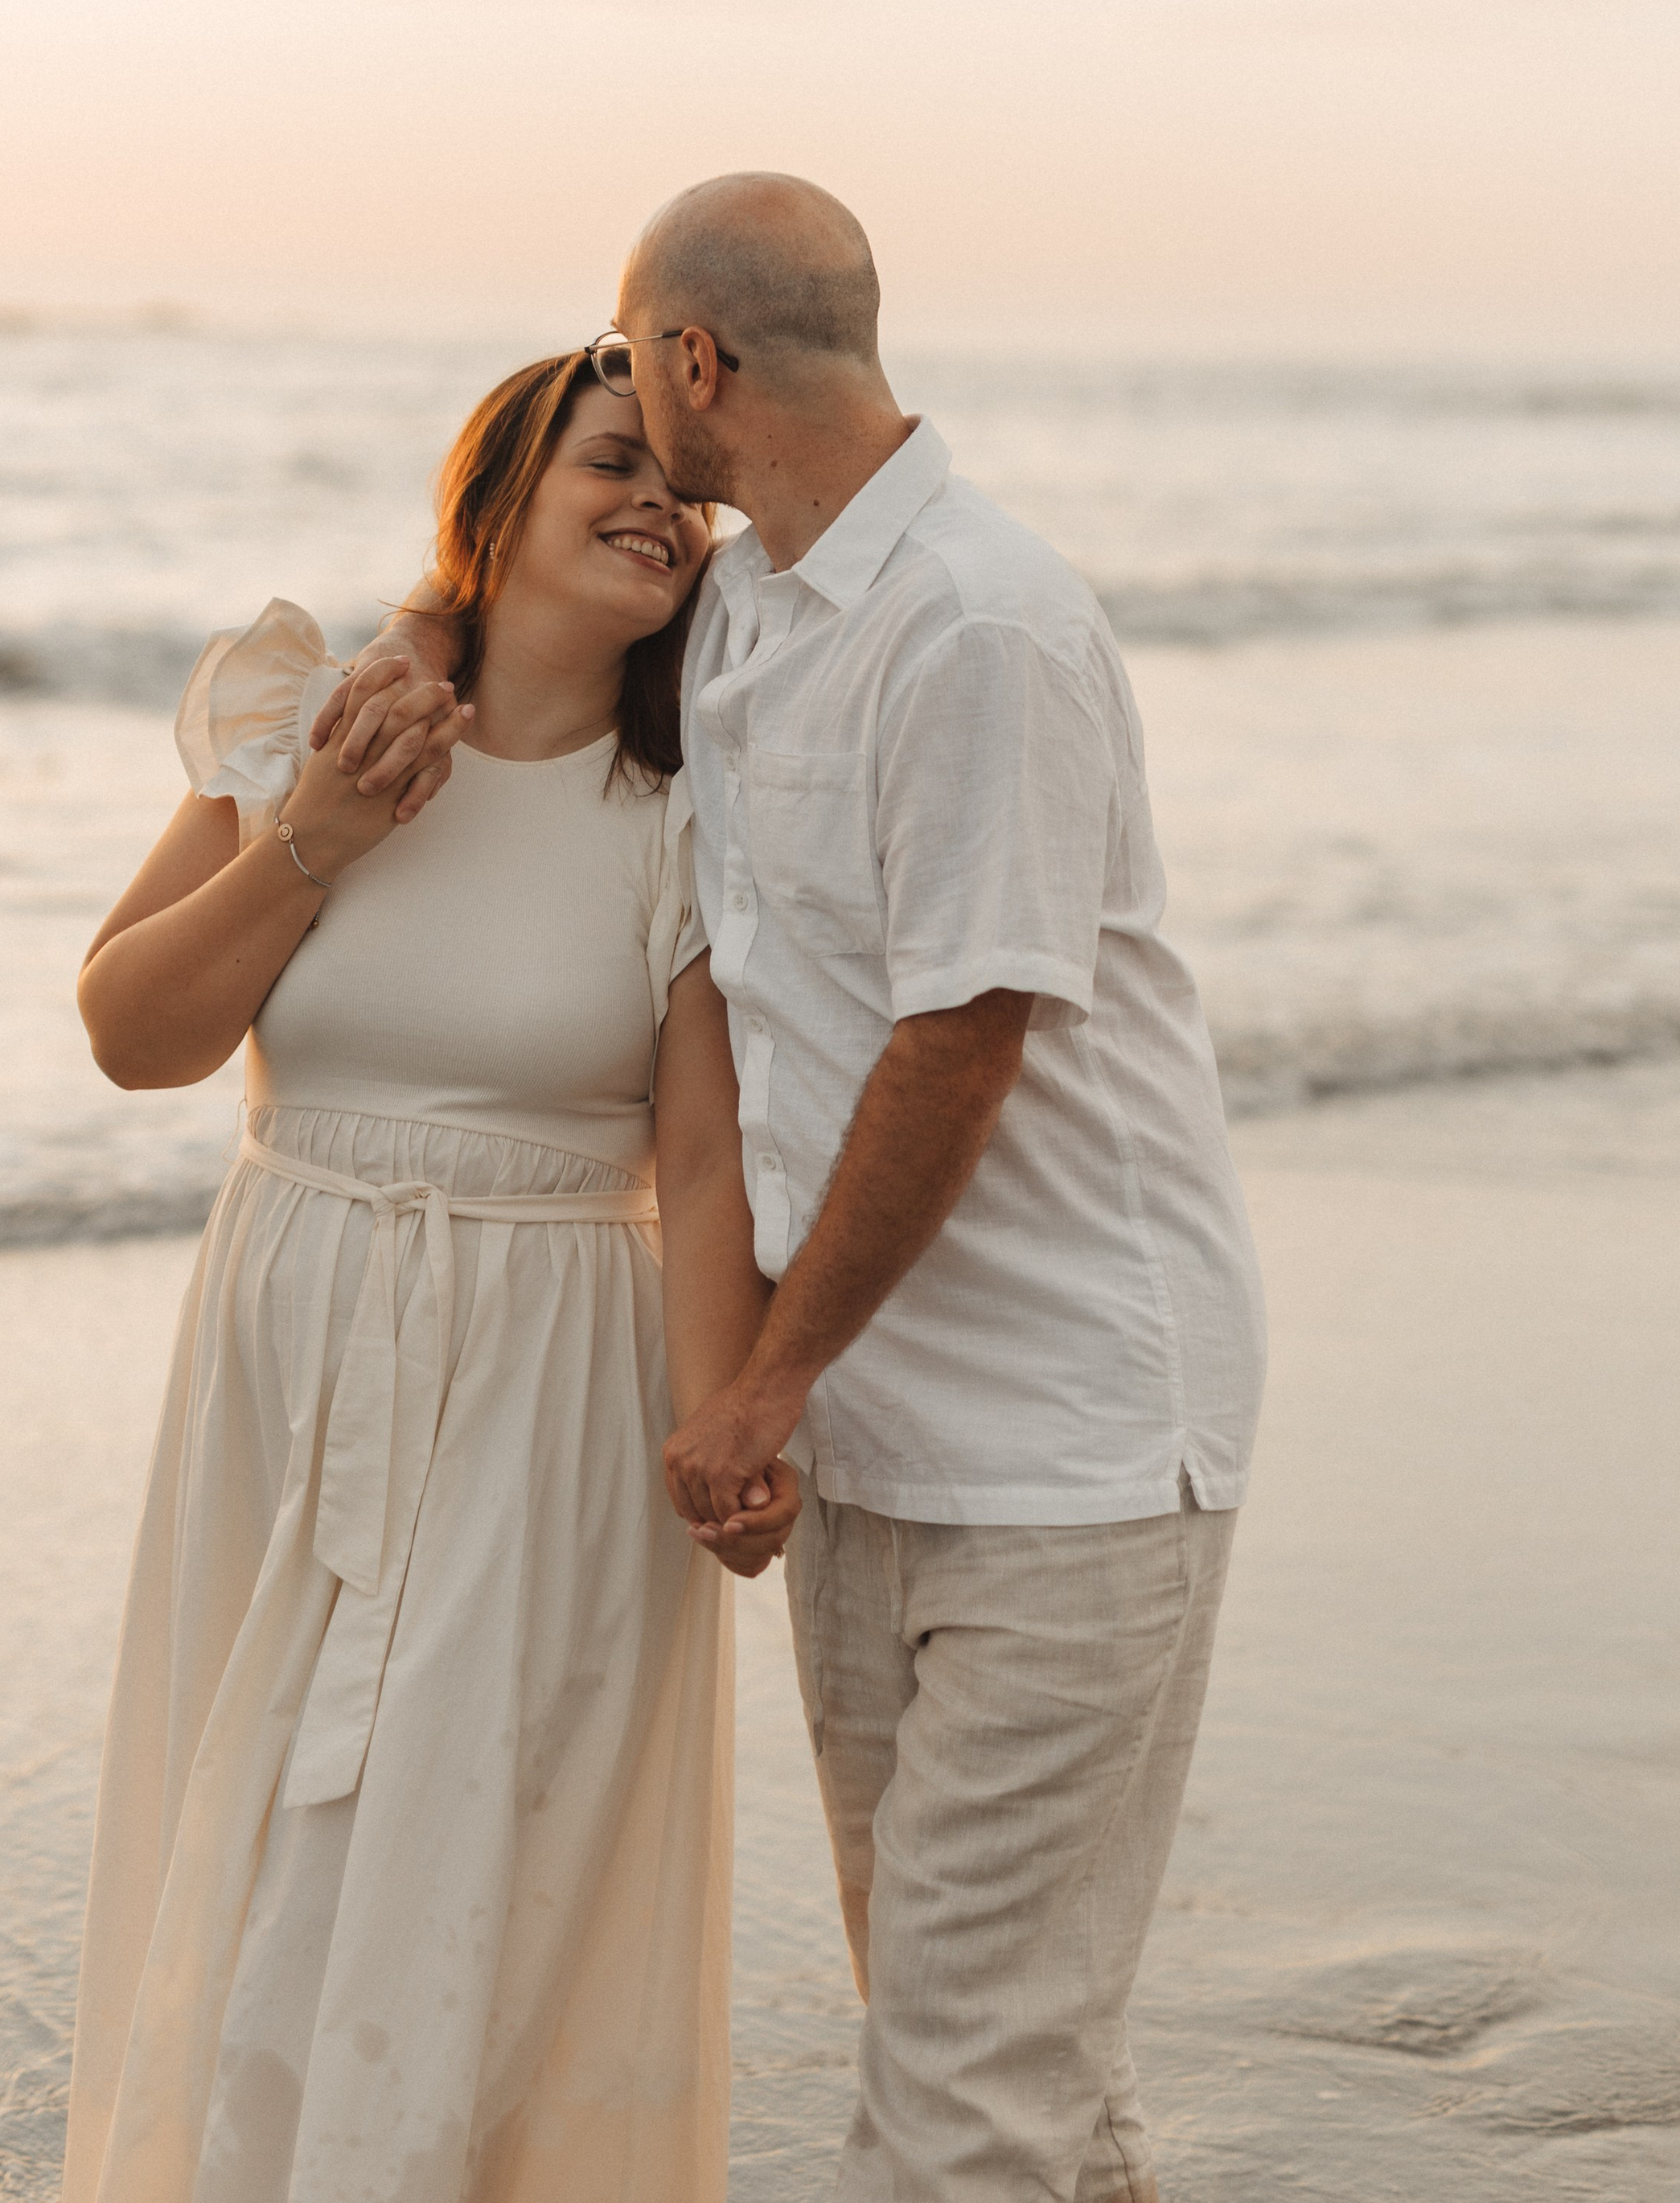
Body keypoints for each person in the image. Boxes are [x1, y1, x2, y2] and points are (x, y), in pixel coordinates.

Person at [331, 176, 1269, 2203]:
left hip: (1069, 1447)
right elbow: (539, 626)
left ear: (696, 363)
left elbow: (961, 1047)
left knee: (959, 2101)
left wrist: (750, 1383)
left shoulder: (981, 628)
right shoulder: (759, 598)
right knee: (998, 2057)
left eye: (630, 355)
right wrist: (420, 623)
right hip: (870, 1447)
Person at [61, 352, 798, 2203]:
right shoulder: (311, 719)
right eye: (612, 466)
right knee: (257, 1855)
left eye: (683, 488)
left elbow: (699, 1159)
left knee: (447, 1895)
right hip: (292, 1348)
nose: (660, 506)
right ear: (494, 502)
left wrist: (730, 1419)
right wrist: (314, 835)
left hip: (547, 1388)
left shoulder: (685, 811)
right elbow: (133, 1032)